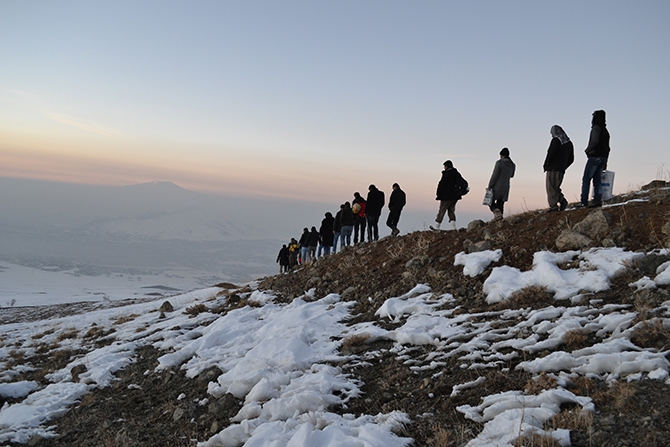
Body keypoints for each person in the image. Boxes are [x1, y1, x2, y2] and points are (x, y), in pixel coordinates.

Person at [580, 110, 610, 208]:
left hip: (595, 156)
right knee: (597, 180)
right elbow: (608, 147)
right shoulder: (605, 131)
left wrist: (588, 150)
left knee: (586, 179)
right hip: (603, 157)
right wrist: (606, 160)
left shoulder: (596, 128)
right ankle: (597, 200)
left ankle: (584, 201)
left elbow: (595, 141)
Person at [543, 125, 574, 212]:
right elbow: (571, 159)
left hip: (552, 168)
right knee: (555, 187)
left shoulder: (556, 140)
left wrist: (546, 164)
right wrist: (564, 166)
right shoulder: (569, 143)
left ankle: (554, 206)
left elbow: (551, 153)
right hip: (561, 169)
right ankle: (562, 201)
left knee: (551, 187)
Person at [431, 160, 465, 231]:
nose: (444, 168)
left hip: (446, 196)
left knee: (442, 210)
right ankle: (453, 227)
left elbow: (442, 184)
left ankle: (436, 226)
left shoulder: (447, 174)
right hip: (455, 196)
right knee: (451, 210)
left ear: (446, 166)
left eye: (444, 166)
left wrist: (438, 194)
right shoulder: (456, 173)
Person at [487, 148, 516, 221]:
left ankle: (497, 213)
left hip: (497, 185)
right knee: (501, 203)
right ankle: (500, 220)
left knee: (489, 201)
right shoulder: (512, 165)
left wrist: (490, 185)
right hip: (506, 186)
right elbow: (512, 175)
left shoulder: (499, 163)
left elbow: (495, 175)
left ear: (501, 155)